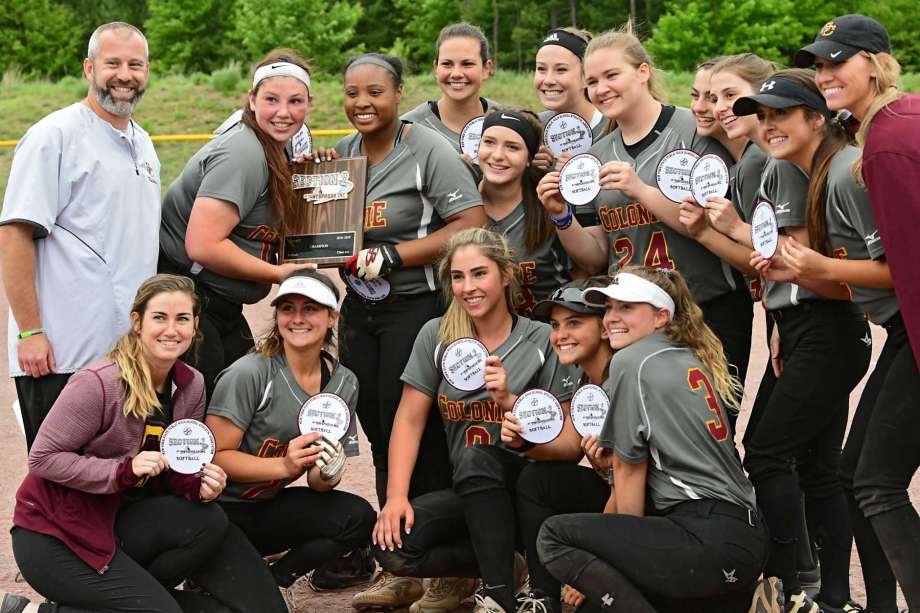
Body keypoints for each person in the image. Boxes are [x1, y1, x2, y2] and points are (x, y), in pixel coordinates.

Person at [1, 274, 286, 613]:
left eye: (182, 319)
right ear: (137, 322)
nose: (171, 329)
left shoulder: (191, 384)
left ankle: (121, 598)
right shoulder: (98, 383)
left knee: (209, 519)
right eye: (159, 318)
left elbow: (178, 467)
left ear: (195, 325)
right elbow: (43, 459)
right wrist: (123, 469)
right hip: (55, 534)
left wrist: (200, 484)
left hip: (118, 521)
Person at [536, 25, 753, 424]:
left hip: (709, 307)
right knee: (644, 432)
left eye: (611, 75)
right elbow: (596, 254)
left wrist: (641, 189)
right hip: (635, 315)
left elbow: (719, 227)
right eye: (592, 82)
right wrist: (560, 214)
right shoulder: (596, 153)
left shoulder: (696, 129)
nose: (601, 89)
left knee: (711, 430)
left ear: (643, 72)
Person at [356, 228, 581, 613]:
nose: (468, 287)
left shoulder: (542, 338)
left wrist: (510, 402)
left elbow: (566, 440)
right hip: (469, 493)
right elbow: (408, 421)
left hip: (528, 492)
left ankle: (497, 596)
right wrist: (395, 498)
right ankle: (506, 566)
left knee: (479, 456)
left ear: (506, 275)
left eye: (480, 273)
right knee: (390, 547)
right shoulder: (438, 334)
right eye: (458, 277)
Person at [536, 267, 773, 613]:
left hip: (706, 536)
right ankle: (737, 604)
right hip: (739, 539)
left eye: (627, 308)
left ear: (662, 316)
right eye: (609, 308)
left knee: (554, 536)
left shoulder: (633, 360)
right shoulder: (684, 354)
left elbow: (630, 478)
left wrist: (615, 558)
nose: (612, 318)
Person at [730, 69, 873, 612]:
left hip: (829, 332)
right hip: (802, 329)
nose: (768, 126)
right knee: (817, 468)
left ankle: (789, 587)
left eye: (781, 114)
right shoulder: (794, 167)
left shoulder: (829, 172)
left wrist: (796, 273)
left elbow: (835, 279)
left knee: (767, 453)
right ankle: (829, 596)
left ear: (817, 117)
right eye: (762, 116)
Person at [793, 14, 920, 608]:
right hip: (902, 330)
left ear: (873, 62)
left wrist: (820, 268)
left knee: (874, 484)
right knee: (854, 476)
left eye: (838, 61)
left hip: (914, 329)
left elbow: (907, 270)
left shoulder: (888, 144)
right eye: (819, 64)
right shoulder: (899, 118)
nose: (825, 74)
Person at [331, 53, 485, 504]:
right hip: (360, 308)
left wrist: (395, 255)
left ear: (399, 93)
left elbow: (472, 224)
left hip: (416, 306)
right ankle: (396, 543)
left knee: (414, 424)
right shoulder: (343, 152)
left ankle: (430, 550)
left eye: (375, 92)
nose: (363, 102)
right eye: (352, 93)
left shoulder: (426, 149)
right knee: (377, 425)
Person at [0, 22, 159, 451]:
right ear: (89, 68)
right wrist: (28, 332)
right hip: (61, 355)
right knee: (59, 490)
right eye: (112, 63)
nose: (124, 74)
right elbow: (14, 235)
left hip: (125, 355)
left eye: (135, 64)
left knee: (118, 487)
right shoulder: (54, 135)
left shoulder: (143, 144)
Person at [205, 269, 376, 604]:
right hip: (219, 512)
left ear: (331, 317)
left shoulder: (344, 382)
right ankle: (218, 574)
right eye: (288, 308)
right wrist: (283, 467)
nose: (298, 318)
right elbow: (214, 456)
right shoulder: (250, 372)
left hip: (266, 508)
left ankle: (278, 578)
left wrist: (328, 470)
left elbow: (317, 485)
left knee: (358, 518)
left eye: (310, 308)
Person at [158, 48, 316, 398]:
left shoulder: (282, 146)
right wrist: (279, 275)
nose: (283, 112)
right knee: (206, 410)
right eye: (272, 99)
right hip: (186, 297)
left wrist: (322, 175)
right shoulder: (243, 152)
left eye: (295, 101)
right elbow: (202, 245)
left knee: (241, 397)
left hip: (215, 302)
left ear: (309, 103)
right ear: (252, 100)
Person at [513, 278, 614, 613]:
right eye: (555, 325)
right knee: (536, 479)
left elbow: (632, 483)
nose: (561, 335)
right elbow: (570, 445)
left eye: (574, 322)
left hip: (652, 509)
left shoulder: (625, 375)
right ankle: (543, 594)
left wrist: (591, 568)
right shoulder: (587, 377)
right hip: (618, 498)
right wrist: (524, 442)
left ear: (604, 328)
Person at [478, 108, 570, 316]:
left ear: (529, 157)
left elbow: (585, 269)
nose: (497, 155)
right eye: (489, 142)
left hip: (547, 329)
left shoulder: (547, 200)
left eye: (512, 147)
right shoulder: (461, 200)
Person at [533, 27, 605, 226]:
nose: (548, 80)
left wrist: (584, 171)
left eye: (561, 69)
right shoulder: (532, 128)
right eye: (541, 69)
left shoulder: (612, 125)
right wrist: (528, 168)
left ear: (586, 76)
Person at [402, 23, 498, 152]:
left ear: (486, 68)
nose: (456, 74)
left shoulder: (509, 121)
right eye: (447, 64)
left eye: (467, 64)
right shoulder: (407, 129)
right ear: (436, 68)